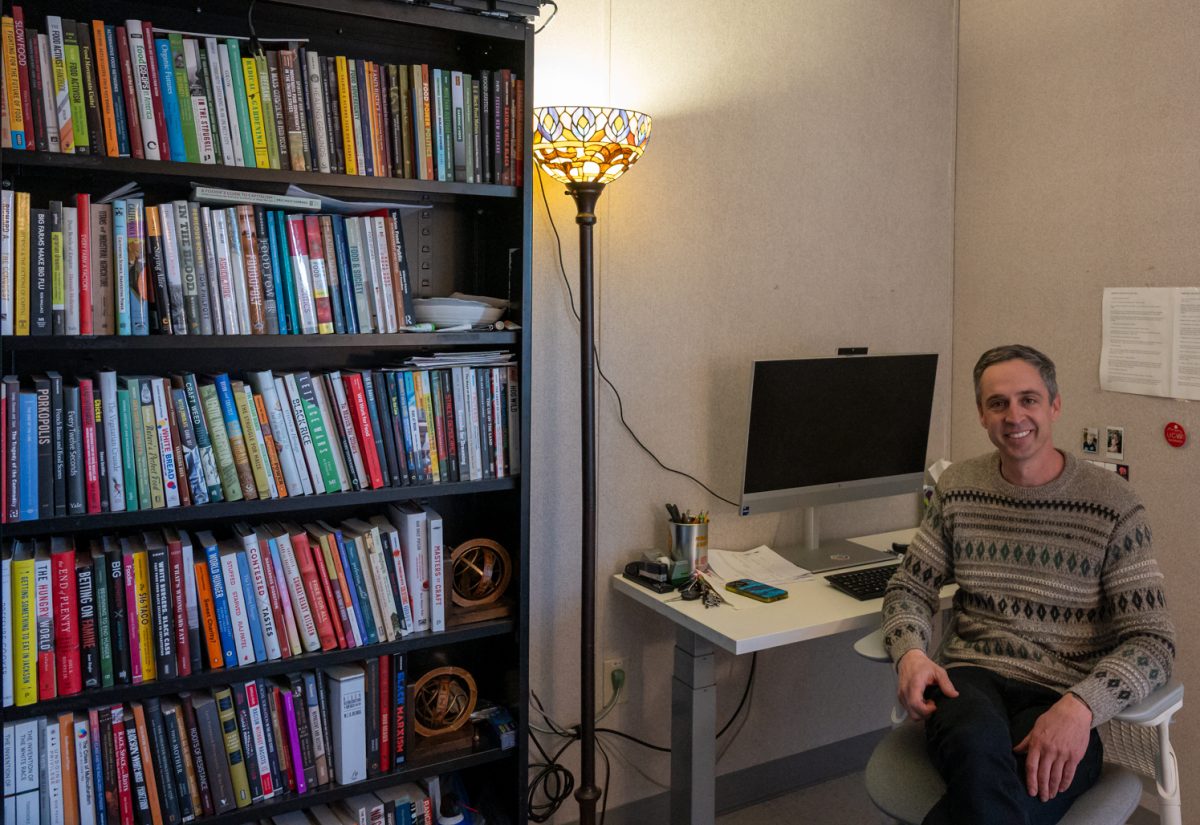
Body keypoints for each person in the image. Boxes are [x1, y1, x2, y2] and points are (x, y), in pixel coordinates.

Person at [881, 344, 1175, 825]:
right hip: (970, 679)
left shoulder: (1113, 505)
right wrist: (910, 654)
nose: (1014, 416)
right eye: (998, 403)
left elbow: (1154, 642)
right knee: (978, 749)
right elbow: (909, 588)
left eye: (1029, 400)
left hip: (1063, 693)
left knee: (1012, 788)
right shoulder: (959, 488)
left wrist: (1082, 707)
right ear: (982, 414)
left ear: (1055, 405)